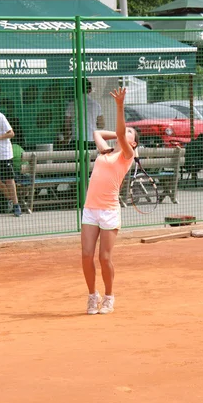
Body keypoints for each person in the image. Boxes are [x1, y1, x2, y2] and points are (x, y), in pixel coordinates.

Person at [81, 87, 138, 315]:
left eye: (129, 134)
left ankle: (109, 296)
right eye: (127, 132)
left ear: (132, 143)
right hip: (90, 209)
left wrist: (120, 107)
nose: (125, 134)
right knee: (86, 255)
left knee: (104, 258)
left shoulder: (127, 156)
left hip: (109, 211)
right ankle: (92, 295)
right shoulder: (105, 152)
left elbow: (121, 134)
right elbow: (96, 133)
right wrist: (118, 134)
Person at [64, 79, 105, 150]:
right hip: (91, 140)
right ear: (90, 90)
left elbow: (67, 125)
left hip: (76, 140)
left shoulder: (71, 105)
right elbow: (101, 125)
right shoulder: (96, 105)